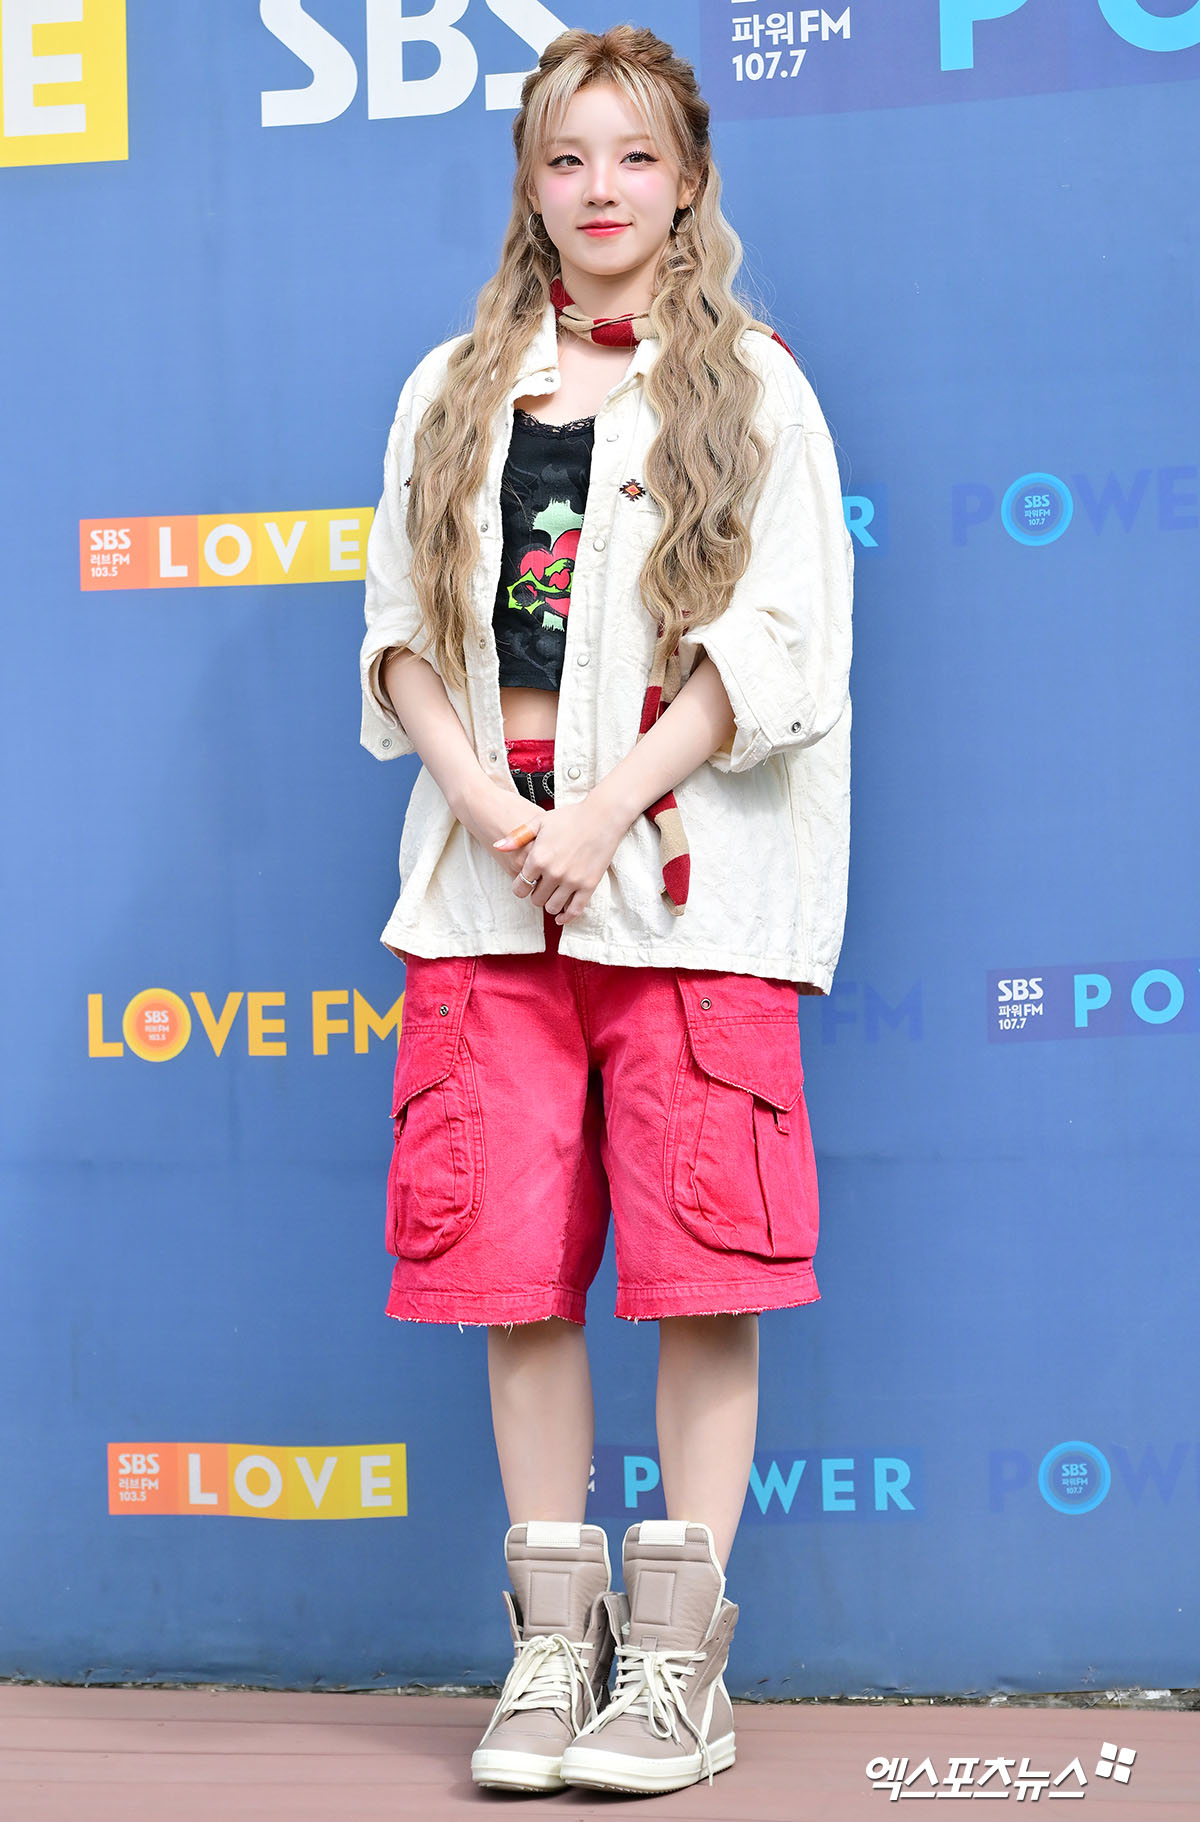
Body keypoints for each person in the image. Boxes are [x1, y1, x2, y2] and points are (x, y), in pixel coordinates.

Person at [357, 23, 853, 1799]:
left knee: (703, 1271)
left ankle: (677, 1674)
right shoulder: (453, 387)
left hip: (682, 900)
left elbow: (778, 650)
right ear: (528, 183)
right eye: (566, 157)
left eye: (636, 155)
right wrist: (501, 813)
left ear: (691, 179)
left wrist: (597, 811)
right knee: (515, 1277)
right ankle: (552, 1656)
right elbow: (399, 636)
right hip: (488, 894)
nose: (600, 189)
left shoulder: (757, 389)